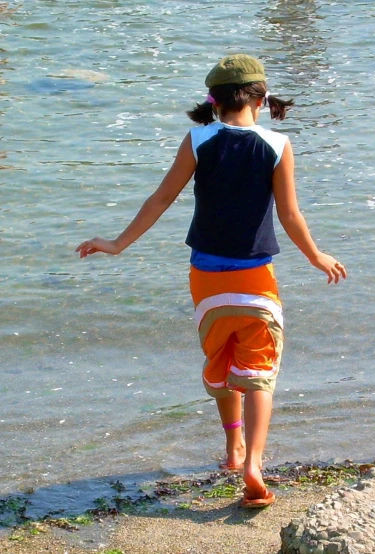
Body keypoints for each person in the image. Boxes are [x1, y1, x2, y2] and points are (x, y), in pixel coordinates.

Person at [76, 54, 347, 508]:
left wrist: (118, 243)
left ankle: (232, 448)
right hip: (256, 276)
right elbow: (290, 214)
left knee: (221, 362)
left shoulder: (197, 140)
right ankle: (254, 465)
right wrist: (317, 256)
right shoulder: (277, 144)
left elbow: (162, 197)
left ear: (213, 102)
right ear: (261, 98)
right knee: (260, 374)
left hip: (205, 279)